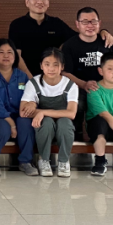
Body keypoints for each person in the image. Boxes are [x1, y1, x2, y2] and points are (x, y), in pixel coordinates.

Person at [8, 0, 113, 77]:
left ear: (48, 2)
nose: (39, 2)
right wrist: (31, 79)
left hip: (52, 78)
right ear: (27, 2)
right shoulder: (17, 25)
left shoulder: (56, 23)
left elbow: (80, 37)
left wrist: (102, 31)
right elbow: (16, 55)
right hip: (25, 78)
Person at [61, 7, 113, 139]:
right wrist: (84, 84)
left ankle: (112, 133)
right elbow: (65, 73)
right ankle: (77, 134)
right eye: (85, 22)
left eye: (93, 21)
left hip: (106, 88)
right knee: (78, 104)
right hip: (80, 89)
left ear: (99, 23)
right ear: (77, 24)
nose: (90, 25)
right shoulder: (69, 45)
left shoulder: (107, 42)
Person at [21, 48, 79, 178]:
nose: (51, 69)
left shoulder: (70, 85)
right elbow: (23, 111)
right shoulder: (34, 83)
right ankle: (44, 160)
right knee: (46, 122)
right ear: (41, 66)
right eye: (47, 64)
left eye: (55, 65)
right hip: (45, 122)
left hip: (63, 120)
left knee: (65, 124)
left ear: (62, 66)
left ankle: (64, 161)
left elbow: (71, 113)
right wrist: (41, 114)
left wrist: (41, 112)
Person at [0, 39, 33, 176]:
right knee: (2, 128)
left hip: (19, 113)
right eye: (1, 52)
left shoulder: (22, 76)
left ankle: (25, 162)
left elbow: (31, 96)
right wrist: (10, 121)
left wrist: (31, 104)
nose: (6, 55)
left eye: (10, 52)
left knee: (26, 124)